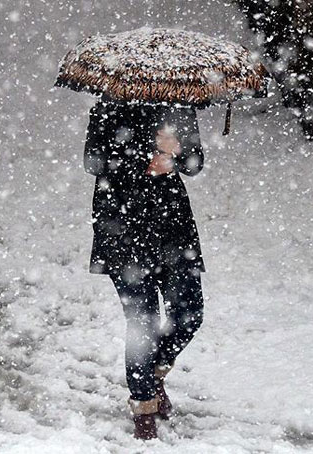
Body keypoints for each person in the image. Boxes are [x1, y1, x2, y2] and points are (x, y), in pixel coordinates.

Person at [83, 94, 206, 440]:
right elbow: (93, 162)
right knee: (143, 323)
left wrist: (177, 152)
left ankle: (151, 375)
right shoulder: (108, 106)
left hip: (173, 228)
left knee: (189, 313)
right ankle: (143, 410)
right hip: (122, 227)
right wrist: (145, 157)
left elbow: (195, 163)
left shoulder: (179, 105)